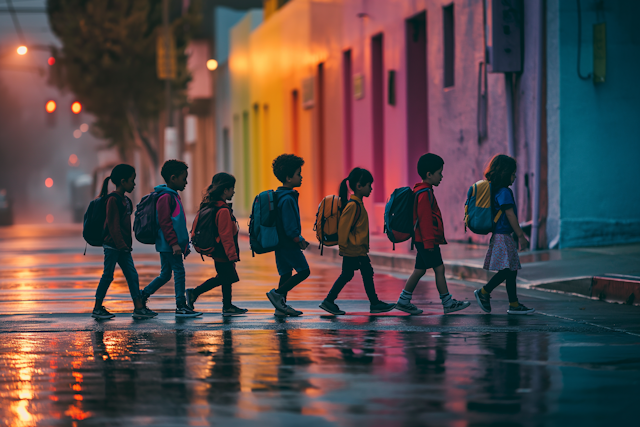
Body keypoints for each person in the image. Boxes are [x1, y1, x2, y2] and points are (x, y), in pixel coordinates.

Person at [395, 154, 470, 315]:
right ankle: (447, 302)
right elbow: (425, 220)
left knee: (420, 270)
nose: (441, 177)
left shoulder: (423, 191)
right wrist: (430, 242)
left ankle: (403, 300)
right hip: (426, 240)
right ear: (429, 174)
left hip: (422, 240)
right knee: (439, 269)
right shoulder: (424, 193)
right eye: (439, 173)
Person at [319, 167, 396, 315]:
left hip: (356, 249)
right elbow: (343, 228)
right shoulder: (353, 206)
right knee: (363, 273)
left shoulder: (357, 204)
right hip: (354, 250)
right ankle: (373, 303)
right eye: (369, 185)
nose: (371, 188)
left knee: (353, 274)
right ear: (359, 186)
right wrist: (345, 248)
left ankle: (330, 301)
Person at [92, 164, 157, 320]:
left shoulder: (126, 200)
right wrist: (122, 245)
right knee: (108, 276)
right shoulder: (113, 200)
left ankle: (139, 307)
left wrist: (125, 246)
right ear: (123, 181)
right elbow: (113, 226)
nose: (134, 184)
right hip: (113, 246)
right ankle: (97, 307)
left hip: (123, 247)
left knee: (132, 275)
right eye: (132, 180)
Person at [474, 154, 535, 315]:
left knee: (511, 270)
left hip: (500, 235)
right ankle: (484, 292)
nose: (515, 177)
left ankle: (514, 304)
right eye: (513, 173)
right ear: (505, 173)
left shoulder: (494, 190)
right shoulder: (504, 192)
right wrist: (521, 236)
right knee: (508, 270)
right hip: (503, 236)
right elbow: (510, 215)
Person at [141, 160, 201, 317]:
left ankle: (142, 296)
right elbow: (165, 223)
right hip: (169, 245)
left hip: (171, 245)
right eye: (184, 178)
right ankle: (181, 306)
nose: (186, 182)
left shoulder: (173, 196)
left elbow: (178, 224)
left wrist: (184, 245)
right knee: (179, 272)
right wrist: (174, 244)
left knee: (166, 274)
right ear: (173, 178)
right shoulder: (166, 197)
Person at [186, 173, 247, 316]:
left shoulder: (212, 206)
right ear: (225, 190)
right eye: (232, 188)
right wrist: (232, 255)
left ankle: (227, 306)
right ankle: (194, 292)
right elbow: (226, 236)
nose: (234, 191)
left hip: (219, 249)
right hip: (223, 250)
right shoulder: (223, 210)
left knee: (226, 278)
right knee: (226, 277)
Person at [265, 154, 311, 317]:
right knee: (304, 271)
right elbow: (290, 226)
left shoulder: (279, 196)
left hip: (279, 243)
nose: (301, 177)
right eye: (299, 174)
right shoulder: (288, 199)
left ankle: (280, 307)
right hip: (288, 243)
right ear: (288, 177)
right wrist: (299, 240)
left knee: (285, 274)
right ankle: (277, 294)